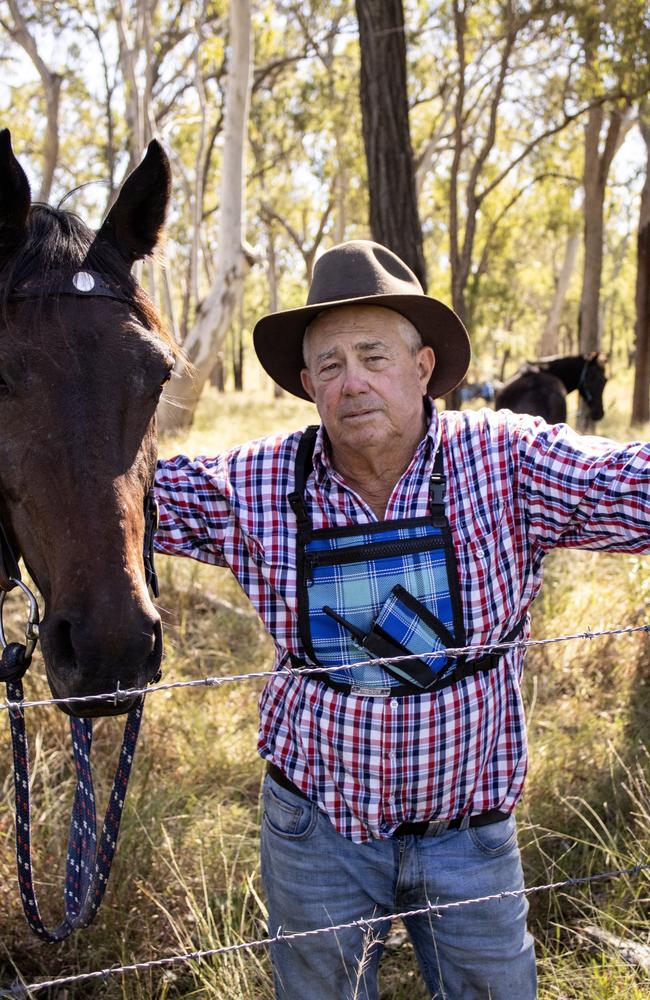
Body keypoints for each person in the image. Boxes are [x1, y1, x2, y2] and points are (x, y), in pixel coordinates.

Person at [154, 240, 650, 1000]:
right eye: (329, 364)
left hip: (470, 832)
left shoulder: (503, 460)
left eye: (373, 356)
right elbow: (116, 496)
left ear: (422, 368)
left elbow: (627, 487)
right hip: (315, 829)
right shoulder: (254, 484)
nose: (352, 382)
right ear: (307, 385)